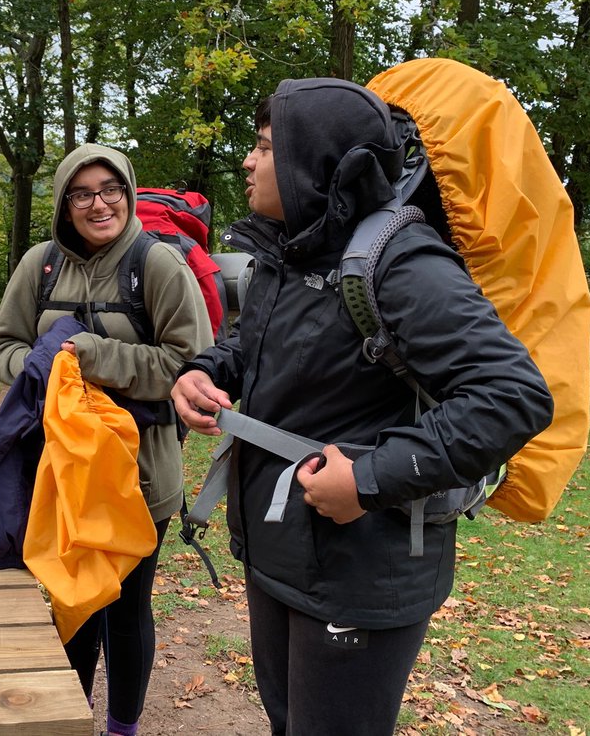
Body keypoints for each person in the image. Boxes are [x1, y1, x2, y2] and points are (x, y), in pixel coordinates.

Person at [170, 79, 554, 735]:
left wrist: (369, 478)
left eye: (264, 147)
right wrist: (205, 372)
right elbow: (250, 339)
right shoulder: (286, 250)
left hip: (362, 572)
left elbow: (512, 396)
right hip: (279, 551)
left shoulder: (401, 263)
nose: (248, 161)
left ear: (313, 165)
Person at [0, 144, 213, 736]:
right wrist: (46, 371)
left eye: (110, 188)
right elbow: (1, 350)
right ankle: (73, 721)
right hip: (59, 472)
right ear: (64, 203)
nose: (98, 203)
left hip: (138, 474)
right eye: (82, 193)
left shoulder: (157, 264)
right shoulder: (40, 265)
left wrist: (92, 356)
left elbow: (193, 364)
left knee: (126, 609)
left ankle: (122, 727)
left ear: (128, 191)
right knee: (72, 604)